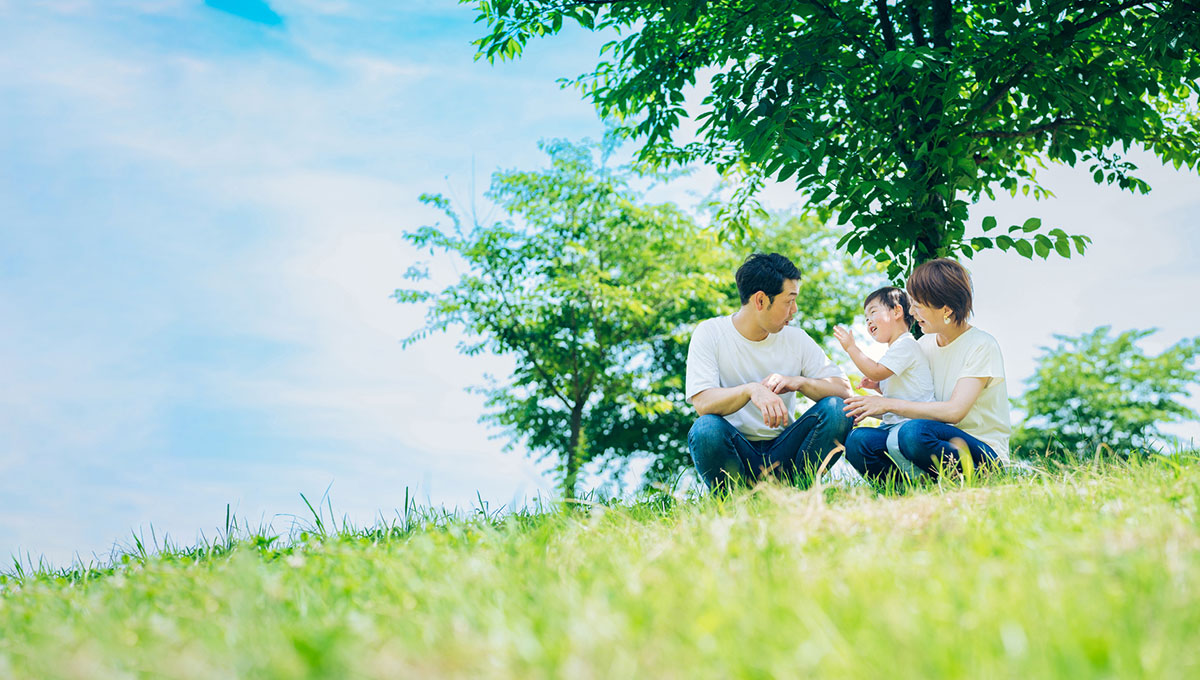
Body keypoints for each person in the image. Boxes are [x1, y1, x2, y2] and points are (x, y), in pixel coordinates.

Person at [685, 252, 854, 491]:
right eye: (789, 301)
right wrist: (751, 390)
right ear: (761, 301)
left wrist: (799, 382)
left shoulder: (796, 339)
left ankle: (801, 491)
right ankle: (734, 500)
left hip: (786, 451)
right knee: (705, 429)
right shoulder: (710, 333)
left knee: (838, 410)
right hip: (736, 449)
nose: (794, 310)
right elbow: (702, 403)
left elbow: (845, 392)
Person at [842, 258, 1011, 483]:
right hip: (927, 437)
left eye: (918, 306)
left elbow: (954, 412)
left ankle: (977, 480)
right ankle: (908, 491)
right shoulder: (923, 345)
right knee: (858, 440)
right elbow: (914, 403)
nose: (911, 311)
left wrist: (887, 404)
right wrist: (870, 406)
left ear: (946, 310)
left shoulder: (981, 345)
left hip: (981, 453)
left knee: (912, 433)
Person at [833, 286, 935, 476]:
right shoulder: (895, 351)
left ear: (897, 311)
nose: (868, 321)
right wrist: (877, 390)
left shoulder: (906, 345)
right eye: (866, 318)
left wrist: (851, 348)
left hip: (914, 428)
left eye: (873, 312)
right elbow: (895, 401)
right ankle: (895, 489)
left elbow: (876, 371)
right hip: (894, 426)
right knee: (857, 439)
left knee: (896, 440)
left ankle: (922, 481)